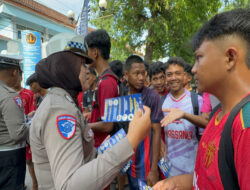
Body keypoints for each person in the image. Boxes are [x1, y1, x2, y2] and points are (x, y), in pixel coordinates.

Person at [29, 38, 153, 190]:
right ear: (64, 67)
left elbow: (82, 158)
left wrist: (104, 151)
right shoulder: (59, 111)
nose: (87, 70)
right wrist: (131, 140)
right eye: (81, 65)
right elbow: (70, 185)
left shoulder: (64, 102)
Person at [153, 9, 250, 190]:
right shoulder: (217, 115)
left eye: (199, 58)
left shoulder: (246, 126)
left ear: (230, 57)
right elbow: (209, 179)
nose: (194, 69)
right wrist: (176, 183)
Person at [123, 55, 163, 189]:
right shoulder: (122, 96)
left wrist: (153, 168)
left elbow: (157, 132)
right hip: (128, 161)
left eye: (143, 73)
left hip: (145, 166)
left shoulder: (152, 97)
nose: (141, 78)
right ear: (126, 75)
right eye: (136, 74)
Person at [161, 57, 203, 177]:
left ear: (184, 75)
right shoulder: (162, 102)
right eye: (169, 74)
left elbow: (204, 132)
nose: (174, 78)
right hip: (170, 170)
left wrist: (185, 115)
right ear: (165, 78)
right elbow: (159, 133)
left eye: (177, 74)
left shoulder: (196, 100)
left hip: (193, 170)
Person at [85, 29, 119, 148]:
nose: (86, 55)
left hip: (104, 147)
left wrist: (85, 126)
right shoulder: (104, 79)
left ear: (95, 52)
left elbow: (108, 125)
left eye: (87, 51)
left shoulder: (106, 82)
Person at [0, 54, 29, 189]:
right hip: (10, 155)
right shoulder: (9, 96)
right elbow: (18, 134)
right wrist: (33, 123)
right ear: (15, 72)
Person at [13, 70, 38, 190]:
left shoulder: (28, 94)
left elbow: (32, 114)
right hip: (12, 134)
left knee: (29, 161)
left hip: (26, 132)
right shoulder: (7, 94)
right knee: (16, 160)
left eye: (19, 75)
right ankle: (20, 183)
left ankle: (35, 184)